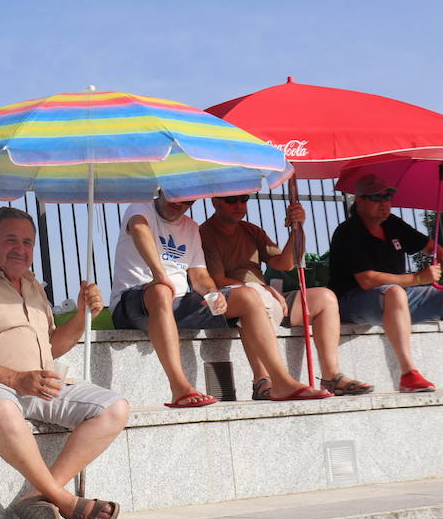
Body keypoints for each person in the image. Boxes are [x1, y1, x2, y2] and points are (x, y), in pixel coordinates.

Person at [0, 207, 127, 519]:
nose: (20, 249)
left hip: (33, 384)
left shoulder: (33, 286)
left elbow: (52, 346)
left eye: (27, 242)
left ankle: (40, 493)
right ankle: (66, 501)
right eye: (11, 240)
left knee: (114, 408)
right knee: (4, 408)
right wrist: (15, 379)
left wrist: (82, 316)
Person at [110, 191, 332, 406]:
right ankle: (179, 388)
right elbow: (139, 230)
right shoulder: (140, 209)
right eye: (174, 195)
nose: (179, 202)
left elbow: (200, 277)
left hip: (177, 301)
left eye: (187, 199)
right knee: (161, 290)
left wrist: (212, 293)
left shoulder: (191, 227)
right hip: (133, 302)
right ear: (161, 190)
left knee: (248, 296)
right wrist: (160, 275)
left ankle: (281, 381)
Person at [200, 194, 372, 396]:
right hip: (236, 300)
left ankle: (331, 376)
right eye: (231, 200)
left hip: (266, 296)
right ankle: (263, 380)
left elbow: (285, 263)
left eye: (244, 199)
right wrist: (261, 288)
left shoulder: (251, 230)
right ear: (215, 202)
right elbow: (217, 280)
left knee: (325, 297)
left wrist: (297, 229)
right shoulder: (206, 233)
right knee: (253, 297)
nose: (239, 205)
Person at [327, 173, 438, 393]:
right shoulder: (348, 231)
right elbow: (367, 280)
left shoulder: (393, 224)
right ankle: (409, 374)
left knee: (397, 293)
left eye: (388, 196)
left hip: (397, 299)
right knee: (395, 292)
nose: (384, 203)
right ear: (360, 201)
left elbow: (431, 248)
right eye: (377, 198)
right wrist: (417, 278)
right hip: (353, 302)